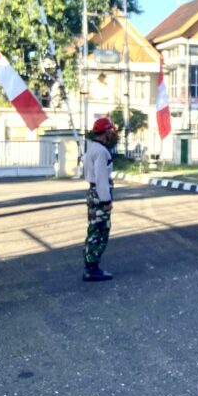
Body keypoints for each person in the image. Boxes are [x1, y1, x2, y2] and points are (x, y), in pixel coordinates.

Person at [83, 117, 119, 282]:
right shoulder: (101, 152)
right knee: (100, 230)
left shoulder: (93, 148)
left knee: (93, 229)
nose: (112, 134)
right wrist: (106, 201)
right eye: (110, 131)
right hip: (99, 194)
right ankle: (92, 268)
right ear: (105, 132)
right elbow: (101, 178)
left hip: (93, 192)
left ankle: (90, 265)